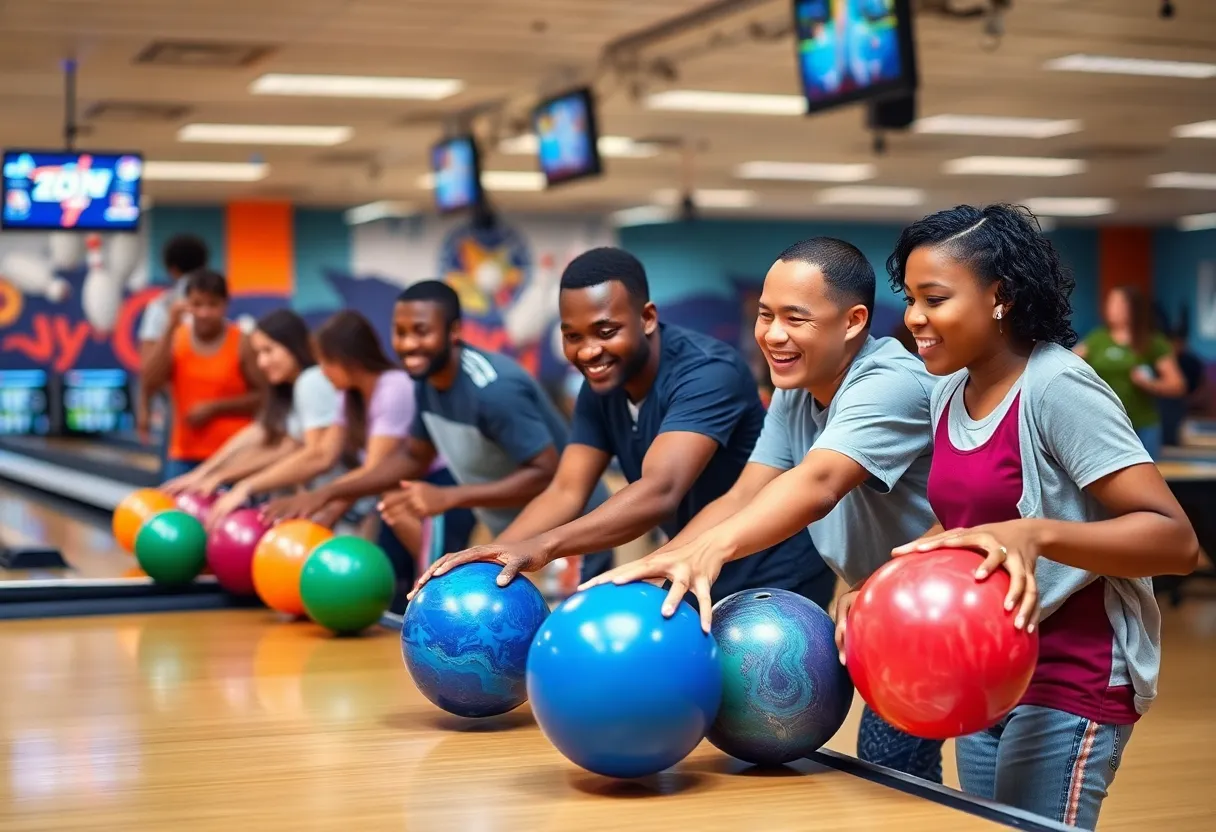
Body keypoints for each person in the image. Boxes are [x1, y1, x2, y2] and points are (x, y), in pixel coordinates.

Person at [579, 238, 946, 781]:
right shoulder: (798, 387)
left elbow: (818, 483)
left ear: (853, 321)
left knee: (928, 784)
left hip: (948, 605)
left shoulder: (889, 383)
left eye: (795, 318)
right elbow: (743, 494)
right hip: (895, 607)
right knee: (898, 774)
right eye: (765, 315)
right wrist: (659, 569)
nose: (773, 334)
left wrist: (709, 554)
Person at [887, 203, 1198, 829]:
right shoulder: (949, 387)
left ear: (999, 296)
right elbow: (971, 525)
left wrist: (1037, 533)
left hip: (1070, 673)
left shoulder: (1058, 388)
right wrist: (883, 588)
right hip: (983, 669)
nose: (915, 317)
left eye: (934, 298)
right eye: (911, 297)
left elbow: (1176, 540)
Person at [410, 246, 834, 612]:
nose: (588, 350)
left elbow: (659, 490)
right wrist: (493, 554)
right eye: (572, 336)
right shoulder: (602, 387)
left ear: (647, 317)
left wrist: (546, 545)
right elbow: (566, 490)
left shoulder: (707, 372)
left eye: (605, 331)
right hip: (688, 562)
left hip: (773, 570)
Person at [287, 280, 615, 582]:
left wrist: (449, 496)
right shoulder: (425, 382)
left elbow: (545, 474)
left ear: (453, 331)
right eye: (400, 332)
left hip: (573, 536)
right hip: (519, 537)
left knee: (562, 642)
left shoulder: (493, 389)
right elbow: (414, 457)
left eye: (421, 331)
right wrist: (330, 492)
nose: (409, 344)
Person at [259, 310, 476, 601]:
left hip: (439, 489)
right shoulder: (347, 395)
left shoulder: (393, 387)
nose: (322, 371)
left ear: (349, 359)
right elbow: (325, 453)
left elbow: (374, 471)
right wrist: (319, 513)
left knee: (440, 578)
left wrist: (323, 502)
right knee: (395, 589)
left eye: (327, 362)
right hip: (397, 493)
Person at [163, 309, 345, 527]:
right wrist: (205, 473)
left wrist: (236, 482)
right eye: (259, 353)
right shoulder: (290, 389)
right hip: (325, 502)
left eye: (269, 350)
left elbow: (309, 454)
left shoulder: (311, 381)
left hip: (343, 504)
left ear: (294, 345)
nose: (262, 362)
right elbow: (259, 434)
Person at [139, 270, 263, 481]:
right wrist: (170, 327)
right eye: (197, 305)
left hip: (234, 457)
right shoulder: (177, 339)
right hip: (184, 455)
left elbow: (264, 397)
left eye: (212, 305)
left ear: (225, 305)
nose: (204, 312)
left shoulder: (242, 343)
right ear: (187, 305)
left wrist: (215, 408)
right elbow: (151, 380)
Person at [1075, 285, 1185, 459]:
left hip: (1143, 426)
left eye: (1117, 303)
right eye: (1109, 303)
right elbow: (1068, 364)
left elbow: (1177, 385)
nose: (1110, 308)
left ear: (1132, 308)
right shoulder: (1097, 338)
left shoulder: (1152, 342)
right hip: (1105, 425)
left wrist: (1148, 384)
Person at [136, 234, 209, 454]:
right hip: (214, 398)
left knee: (175, 479)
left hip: (175, 405)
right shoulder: (217, 303)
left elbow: (148, 364)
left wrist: (144, 408)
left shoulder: (161, 305)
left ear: (172, 269)